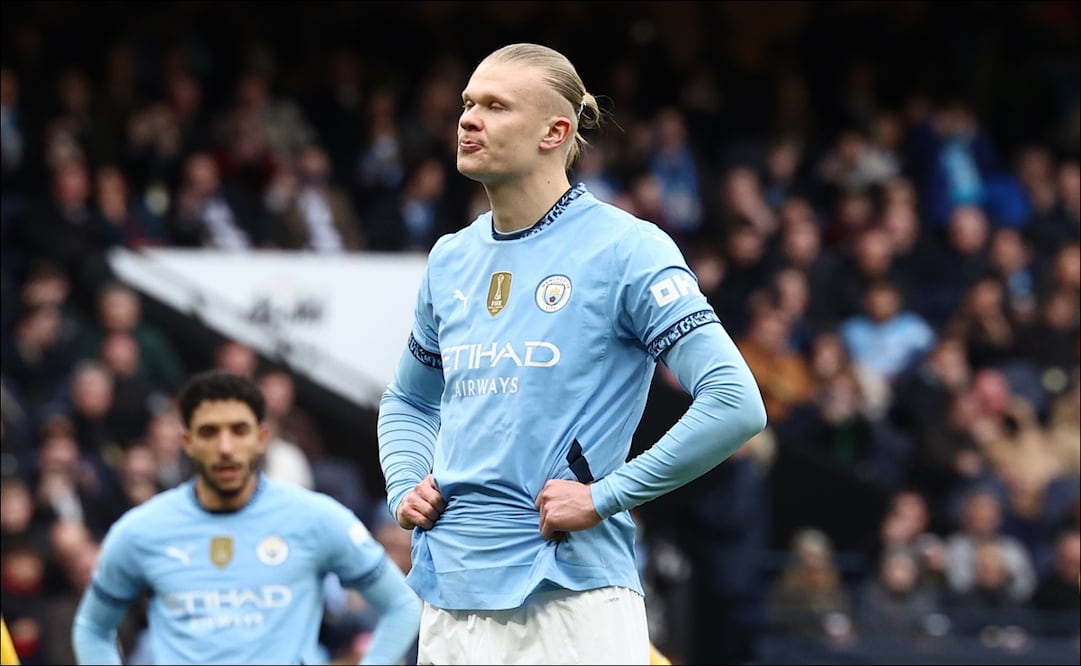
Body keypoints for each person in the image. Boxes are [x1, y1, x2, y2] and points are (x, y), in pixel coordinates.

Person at [377, 42, 767, 665]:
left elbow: (735, 402)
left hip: (568, 599)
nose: (469, 119)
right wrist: (403, 481)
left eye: (496, 106)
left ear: (554, 131)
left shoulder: (626, 249)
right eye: (467, 104)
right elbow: (407, 400)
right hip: (448, 597)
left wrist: (605, 496)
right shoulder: (450, 256)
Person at [71, 370, 421, 665]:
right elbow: (92, 628)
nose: (225, 447)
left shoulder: (316, 518)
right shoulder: (141, 529)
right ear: (187, 441)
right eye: (209, 432)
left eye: (239, 430)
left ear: (261, 438)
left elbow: (402, 607)